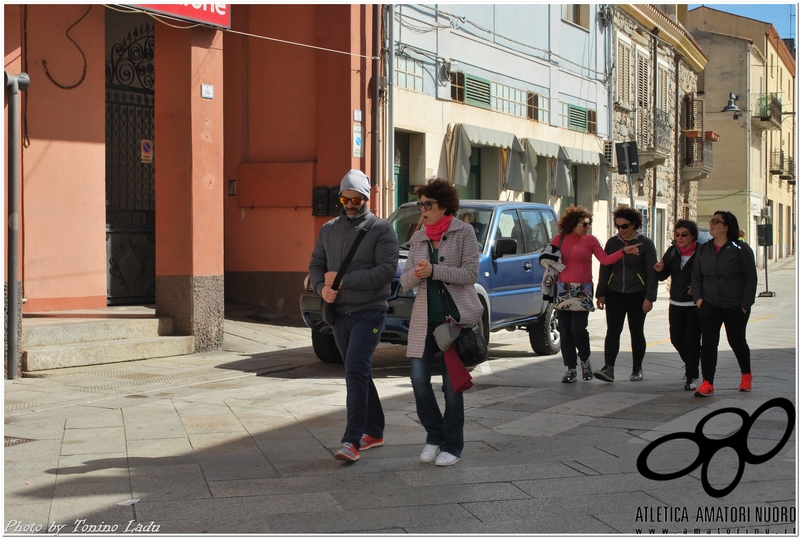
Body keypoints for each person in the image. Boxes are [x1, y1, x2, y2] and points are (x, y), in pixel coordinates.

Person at [308, 169, 399, 461]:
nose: (349, 203)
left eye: (356, 198)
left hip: (369, 311)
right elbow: (316, 266)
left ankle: (352, 441)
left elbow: (386, 272)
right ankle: (375, 430)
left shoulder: (381, 229)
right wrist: (322, 288)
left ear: (365, 198)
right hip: (339, 314)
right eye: (345, 197)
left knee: (355, 371)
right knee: (357, 371)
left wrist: (345, 281)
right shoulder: (328, 229)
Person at [400, 178, 483, 467]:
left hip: (453, 323)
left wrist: (435, 270)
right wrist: (418, 274)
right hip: (424, 321)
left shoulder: (464, 232)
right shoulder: (419, 236)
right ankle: (433, 437)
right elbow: (405, 280)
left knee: (452, 387)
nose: (422, 209)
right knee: (418, 380)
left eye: (427, 204)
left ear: (443, 206)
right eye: (420, 203)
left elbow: (470, 274)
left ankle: (452, 446)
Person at [550, 206, 641, 383]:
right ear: (573, 224)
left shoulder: (590, 240)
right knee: (565, 331)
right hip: (563, 288)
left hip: (583, 290)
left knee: (578, 329)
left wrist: (623, 251)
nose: (588, 227)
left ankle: (585, 361)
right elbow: (548, 259)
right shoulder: (558, 239)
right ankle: (570, 368)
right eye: (584, 224)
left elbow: (605, 260)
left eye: (589, 223)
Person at [691, 211, 757, 397]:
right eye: (711, 220)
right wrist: (699, 299)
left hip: (735, 304)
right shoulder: (704, 249)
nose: (711, 224)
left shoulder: (740, 249)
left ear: (726, 227)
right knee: (709, 343)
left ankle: (746, 375)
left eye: (715, 221)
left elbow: (751, 278)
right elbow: (696, 276)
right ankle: (707, 382)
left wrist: (745, 304)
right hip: (710, 303)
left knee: (736, 340)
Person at [595, 207, 658, 382]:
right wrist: (601, 293)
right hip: (615, 293)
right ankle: (609, 368)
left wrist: (649, 297)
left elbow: (651, 273)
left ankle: (637, 368)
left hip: (637, 294)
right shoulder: (612, 243)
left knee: (636, 331)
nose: (621, 230)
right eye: (618, 226)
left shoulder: (645, 243)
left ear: (634, 225)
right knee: (613, 330)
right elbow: (605, 267)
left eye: (625, 226)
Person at [653, 219, 702, 390]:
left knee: (692, 341)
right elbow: (663, 275)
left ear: (693, 236)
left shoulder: (702, 252)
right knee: (676, 338)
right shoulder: (673, 252)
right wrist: (659, 270)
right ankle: (693, 361)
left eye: (684, 235)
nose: (680, 238)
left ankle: (691, 375)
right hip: (675, 302)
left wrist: (697, 288)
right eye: (677, 234)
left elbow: (709, 275)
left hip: (695, 304)